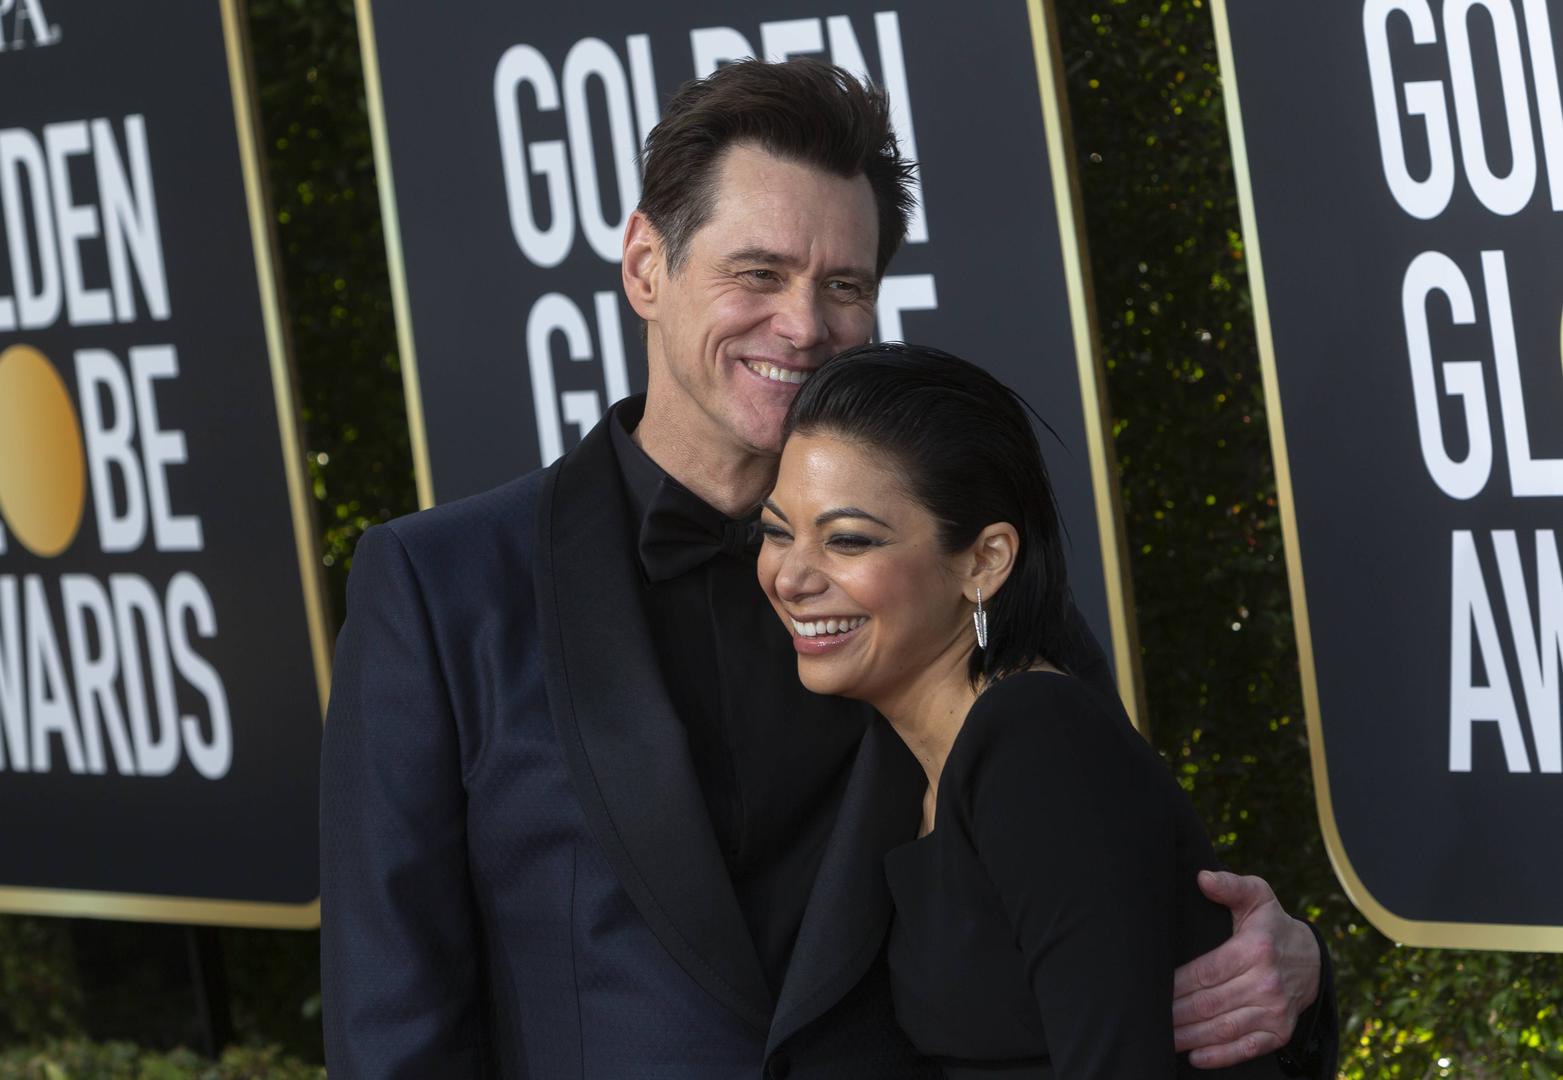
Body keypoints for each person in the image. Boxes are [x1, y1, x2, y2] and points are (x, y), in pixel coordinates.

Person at [320, 59, 1335, 1077]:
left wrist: (1290, 968)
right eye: (757, 273)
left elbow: (1105, 892)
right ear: (645, 267)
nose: (804, 326)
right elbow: (393, 1026)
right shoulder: (439, 588)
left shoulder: (947, 570)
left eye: (843, 286)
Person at [758, 342, 1321, 1077]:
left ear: (984, 560)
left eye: (847, 540)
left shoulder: (1034, 741)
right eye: (776, 531)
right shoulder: (917, 757)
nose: (792, 577)